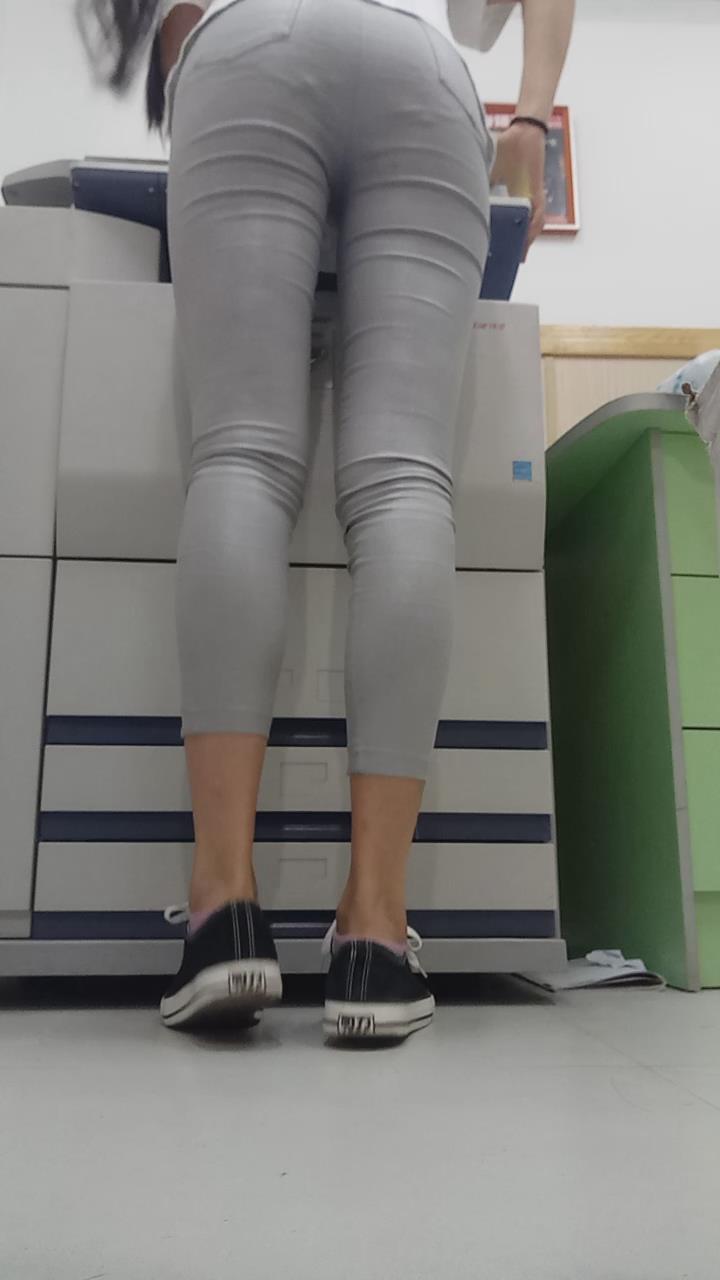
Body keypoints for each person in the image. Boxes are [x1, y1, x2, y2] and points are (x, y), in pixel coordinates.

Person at [79, 0, 574, 1041]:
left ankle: (223, 911)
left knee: (243, 456)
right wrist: (531, 119)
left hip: (246, 48)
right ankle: (375, 940)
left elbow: (177, 24)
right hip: (423, 72)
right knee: (403, 481)